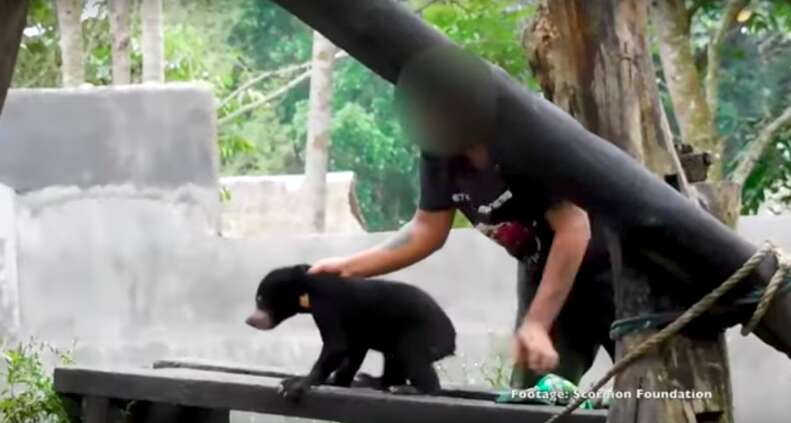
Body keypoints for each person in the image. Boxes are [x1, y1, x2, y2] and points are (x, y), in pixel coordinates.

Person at [309, 47, 614, 388]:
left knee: (657, 384)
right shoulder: (439, 153)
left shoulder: (526, 140)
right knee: (533, 398)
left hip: (612, 267)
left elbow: (574, 228)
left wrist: (537, 323)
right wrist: (348, 267)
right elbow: (427, 229)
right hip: (545, 272)